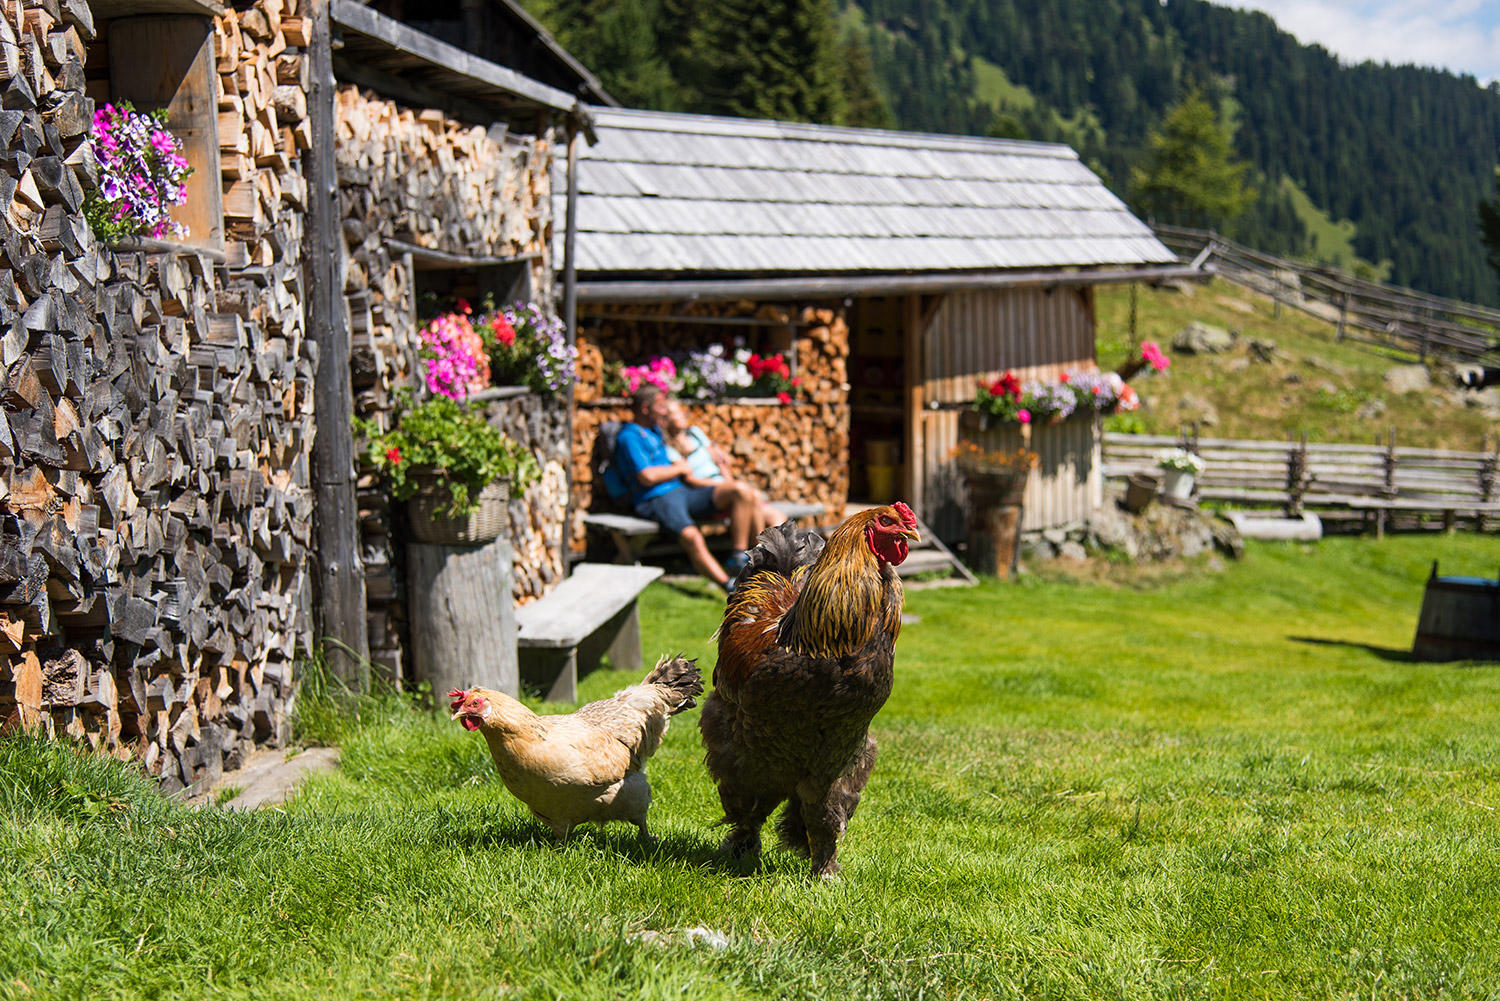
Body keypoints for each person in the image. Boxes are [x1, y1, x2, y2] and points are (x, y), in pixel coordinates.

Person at [612, 385, 759, 592]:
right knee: (693, 538)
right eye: (661, 406)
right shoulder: (629, 437)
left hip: (682, 492)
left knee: (741, 491)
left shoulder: (653, 431)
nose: (664, 411)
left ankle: (737, 556)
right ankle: (730, 588)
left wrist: (711, 450)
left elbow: (681, 437)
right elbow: (647, 476)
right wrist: (679, 468)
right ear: (646, 408)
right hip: (656, 498)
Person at [661, 399, 786, 544]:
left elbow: (719, 460)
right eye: (675, 412)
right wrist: (719, 485)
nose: (682, 414)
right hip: (707, 491)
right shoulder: (669, 448)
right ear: (666, 420)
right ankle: (756, 550)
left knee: (778, 519)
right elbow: (690, 479)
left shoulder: (695, 433)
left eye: (680, 410)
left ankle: (765, 554)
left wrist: (729, 481)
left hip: (725, 484)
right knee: (751, 498)